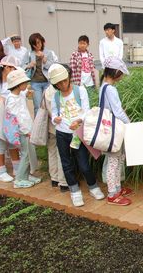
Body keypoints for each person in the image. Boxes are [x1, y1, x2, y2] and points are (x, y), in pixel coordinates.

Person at [50, 63, 104, 207]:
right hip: (62, 133)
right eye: (58, 83)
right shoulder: (55, 96)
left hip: (77, 133)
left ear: (68, 77)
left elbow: (86, 111)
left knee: (83, 163)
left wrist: (79, 120)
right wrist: (55, 119)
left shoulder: (80, 90)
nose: (62, 84)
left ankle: (93, 186)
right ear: (55, 85)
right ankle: (74, 191)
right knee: (66, 163)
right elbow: (54, 113)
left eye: (64, 80)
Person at [99, 56, 132, 206]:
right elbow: (118, 112)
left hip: (111, 129)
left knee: (118, 159)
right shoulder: (110, 89)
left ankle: (117, 188)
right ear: (116, 72)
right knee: (114, 161)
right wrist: (129, 123)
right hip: (114, 131)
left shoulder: (103, 86)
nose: (122, 76)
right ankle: (112, 194)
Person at [5, 68, 40, 188]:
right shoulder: (11, 99)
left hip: (27, 129)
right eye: (24, 83)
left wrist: (27, 92)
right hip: (23, 131)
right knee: (25, 154)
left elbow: (23, 94)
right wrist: (26, 131)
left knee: (29, 153)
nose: (26, 85)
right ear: (17, 85)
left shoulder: (19, 94)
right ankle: (19, 179)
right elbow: (17, 118)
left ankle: (26, 175)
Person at [43, 64, 68, 192]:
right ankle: (63, 182)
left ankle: (54, 178)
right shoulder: (58, 92)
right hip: (60, 127)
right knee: (61, 153)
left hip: (49, 127)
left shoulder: (47, 90)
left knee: (52, 151)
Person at [27, 33, 58, 115]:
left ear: (42, 42)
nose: (37, 45)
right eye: (34, 44)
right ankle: (38, 126)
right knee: (37, 105)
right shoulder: (29, 54)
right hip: (35, 83)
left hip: (47, 82)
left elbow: (52, 66)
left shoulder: (48, 53)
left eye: (39, 42)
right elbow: (22, 66)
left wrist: (44, 59)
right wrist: (29, 65)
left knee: (49, 104)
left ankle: (49, 123)